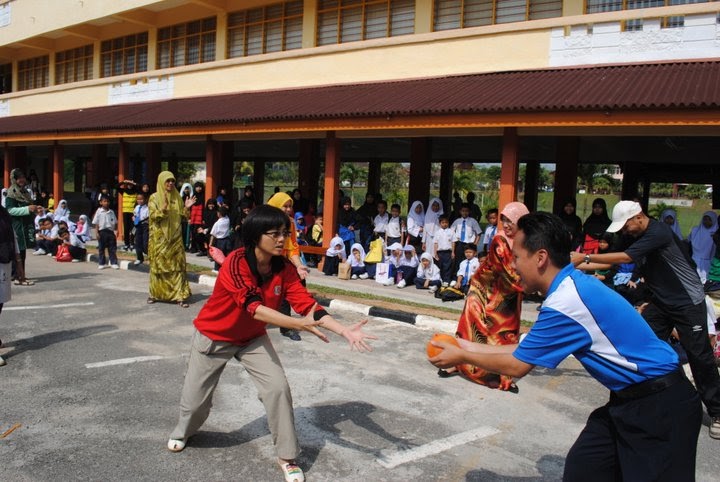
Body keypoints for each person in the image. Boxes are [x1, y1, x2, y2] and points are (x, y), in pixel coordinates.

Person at [430, 211, 702, 482]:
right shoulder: (570, 286)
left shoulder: (567, 302)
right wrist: (463, 344)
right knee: (586, 468)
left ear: (540, 258)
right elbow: (520, 351)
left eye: (516, 258)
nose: (513, 266)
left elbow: (517, 365)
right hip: (631, 401)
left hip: (661, 408)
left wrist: (464, 354)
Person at [166, 205, 377, 482]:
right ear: (256, 236)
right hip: (214, 335)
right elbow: (254, 308)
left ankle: (287, 457)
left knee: (277, 388)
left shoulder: (284, 268)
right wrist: (299, 324)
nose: (282, 239)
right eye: (275, 234)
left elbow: (307, 305)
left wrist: (343, 331)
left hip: (252, 338)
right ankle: (184, 430)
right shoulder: (236, 262)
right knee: (195, 405)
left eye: (285, 233)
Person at [571, 200, 720, 439]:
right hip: (661, 302)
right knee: (640, 346)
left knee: (699, 355)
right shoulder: (632, 235)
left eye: (626, 225)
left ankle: (717, 410)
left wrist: (583, 258)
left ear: (638, 217)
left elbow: (622, 258)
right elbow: (620, 259)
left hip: (687, 302)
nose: (624, 231)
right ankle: (635, 398)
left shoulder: (658, 231)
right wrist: (579, 263)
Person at [442, 202, 529, 390]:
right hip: (483, 290)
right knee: (470, 328)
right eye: (503, 220)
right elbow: (505, 270)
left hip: (509, 295)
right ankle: (458, 363)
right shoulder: (500, 240)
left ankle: (505, 375)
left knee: (504, 335)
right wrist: (531, 286)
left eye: (510, 221)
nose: (506, 225)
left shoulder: (528, 240)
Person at [147, 171, 194, 308]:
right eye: (168, 181)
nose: (171, 183)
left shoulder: (177, 198)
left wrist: (187, 207)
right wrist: (163, 209)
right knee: (158, 267)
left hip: (175, 238)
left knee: (177, 267)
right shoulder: (154, 198)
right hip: (160, 239)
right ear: (162, 182)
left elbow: (185, 216)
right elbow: (153, 216)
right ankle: (155, 294)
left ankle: (179, 296)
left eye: (172, 181)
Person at [268, 192, 310, 342]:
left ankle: (286, 327)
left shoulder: (291, 223)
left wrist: (299, 265)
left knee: (290, 288)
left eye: (289, 206)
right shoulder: (264, 220)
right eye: (284, 206)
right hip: (264, 259)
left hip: (282, 260)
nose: (287, 209)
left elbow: (292, 247)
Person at [5, 169, 38, 286]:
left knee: (22, 251)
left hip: (25, 225)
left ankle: (21, 274)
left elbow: (29, 205)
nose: (22, 180)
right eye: (19, 178)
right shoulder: (11, 193)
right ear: (14, 179)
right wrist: (27, 209)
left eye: (23, 177)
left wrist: (35, 209)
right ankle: (16, 275)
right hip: (16, 226)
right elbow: (9, 210)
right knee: (17, 251)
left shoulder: (24, 192)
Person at [0, 204, 22, 366]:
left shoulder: (3, 212)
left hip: (4, 260)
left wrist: (18, 261)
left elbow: (13, 236)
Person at [688, 210, 718, 283]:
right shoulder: (695, 230)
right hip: (694, 260)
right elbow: (688, 241)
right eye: (705, 219)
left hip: (708, 263)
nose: (706, 221)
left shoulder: (716, 234)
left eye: (709, 219)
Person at [450, 203, 482, 271]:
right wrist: (455, 238)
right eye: (463, 211)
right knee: (458, 260)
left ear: (469, 211)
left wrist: (475, 244)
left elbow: (479, 233)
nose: (465, 213)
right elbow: (451, 231)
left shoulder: (473, 221)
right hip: (459, 243)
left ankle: (467, 276)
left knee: (469, 260)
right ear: (460, 212)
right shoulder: (457, 221)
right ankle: (456, 277)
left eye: (466, 211)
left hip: (469, 243)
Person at [92, 196, 119, 270]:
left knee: (112, 248)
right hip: (102, 231)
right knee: (101, 248)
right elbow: (96, 223)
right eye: (104, 201)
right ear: (101, 202)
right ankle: (102, 263)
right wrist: (96, 233)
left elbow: (115, 223)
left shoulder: (111, 212)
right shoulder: (98, 211)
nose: (106, 203)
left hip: (110, 232)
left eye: (107, 201)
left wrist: (116, 231)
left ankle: (113, 262)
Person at [432, 214, 455, 286]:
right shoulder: (437, 232)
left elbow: (453, 242)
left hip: (448, 252)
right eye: (443, 222)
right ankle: (440, 279)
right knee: (440, 266)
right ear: (440, 223)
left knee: (447, 267)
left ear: (448, 223)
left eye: (446, 222)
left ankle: (446, 280)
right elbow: (435, 243)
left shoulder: (451, 231)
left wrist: (453, 252)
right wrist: (435, 253)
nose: (444, 224)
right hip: (440, 252)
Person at [208, 206, 232, 273]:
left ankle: (217, 269)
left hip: (220, 241)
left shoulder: (217, 223)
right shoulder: (227, 219)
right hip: (227, 240)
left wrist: (210, 243)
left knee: (218, 255)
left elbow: (213, 234)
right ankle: (226, 268)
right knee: (226, 255)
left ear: (219, 213)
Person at [118, 180, 138, 251]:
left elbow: (141, 188)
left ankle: (132, 243)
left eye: (131, 184)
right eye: (128, 184)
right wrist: (123, 182)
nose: (130, 185)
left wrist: (134, 183)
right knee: (126, 229)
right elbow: (117, 187)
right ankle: (127, 244)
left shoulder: (136, 191)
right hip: (125, 212)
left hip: (134, 213)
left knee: (134, 228)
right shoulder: (124, 191)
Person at [188, 182, 206, 255]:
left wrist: (204, 219)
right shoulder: (193, 197)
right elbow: (189, 208)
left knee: (199, 234)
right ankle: (193, 248)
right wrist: (189, 218)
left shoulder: (204, 196)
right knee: (193, 234)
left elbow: (205, 209)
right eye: (197, 187)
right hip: (193, 218)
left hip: (200, 219)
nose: (199, 188)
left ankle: (201, 249)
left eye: (200, 187)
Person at [132, 193, 149, 266]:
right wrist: (134, 218)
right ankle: (139, 258)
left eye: (141, 199)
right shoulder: (136, 207)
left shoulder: (148, 208)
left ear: (145, 200)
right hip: (138, 226)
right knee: (137, 242)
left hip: (145, 226)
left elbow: (148, 218)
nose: (140, 201)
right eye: (138, 199)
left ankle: (150, 257)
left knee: (145, 243)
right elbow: (135, 214)